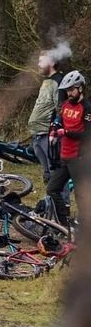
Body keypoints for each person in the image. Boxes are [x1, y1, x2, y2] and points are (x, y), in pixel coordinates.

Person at [47, 70, 91, 224]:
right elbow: (59, 118)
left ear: (80, 88)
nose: (69, 93)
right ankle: (64, 224)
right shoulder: (65, 105)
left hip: (79, 158)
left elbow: (87, 135)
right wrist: (54, 130)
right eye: (67, 90)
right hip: (64, 157)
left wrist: (66, 132)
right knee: (52, 189)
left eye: (71, 90)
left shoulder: (87, 108)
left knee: (81, 195)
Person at [28, 52, 64, 188]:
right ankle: (50, 204)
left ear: (52, 62)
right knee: (47, 173)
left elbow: (60, 108)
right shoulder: (46, 81)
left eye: (41, 61)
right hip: (37, 134)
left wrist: (54, 130)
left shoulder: (58, 81)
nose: (38, 64)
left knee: (55, 172)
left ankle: (61, 206)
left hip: (48, 134)